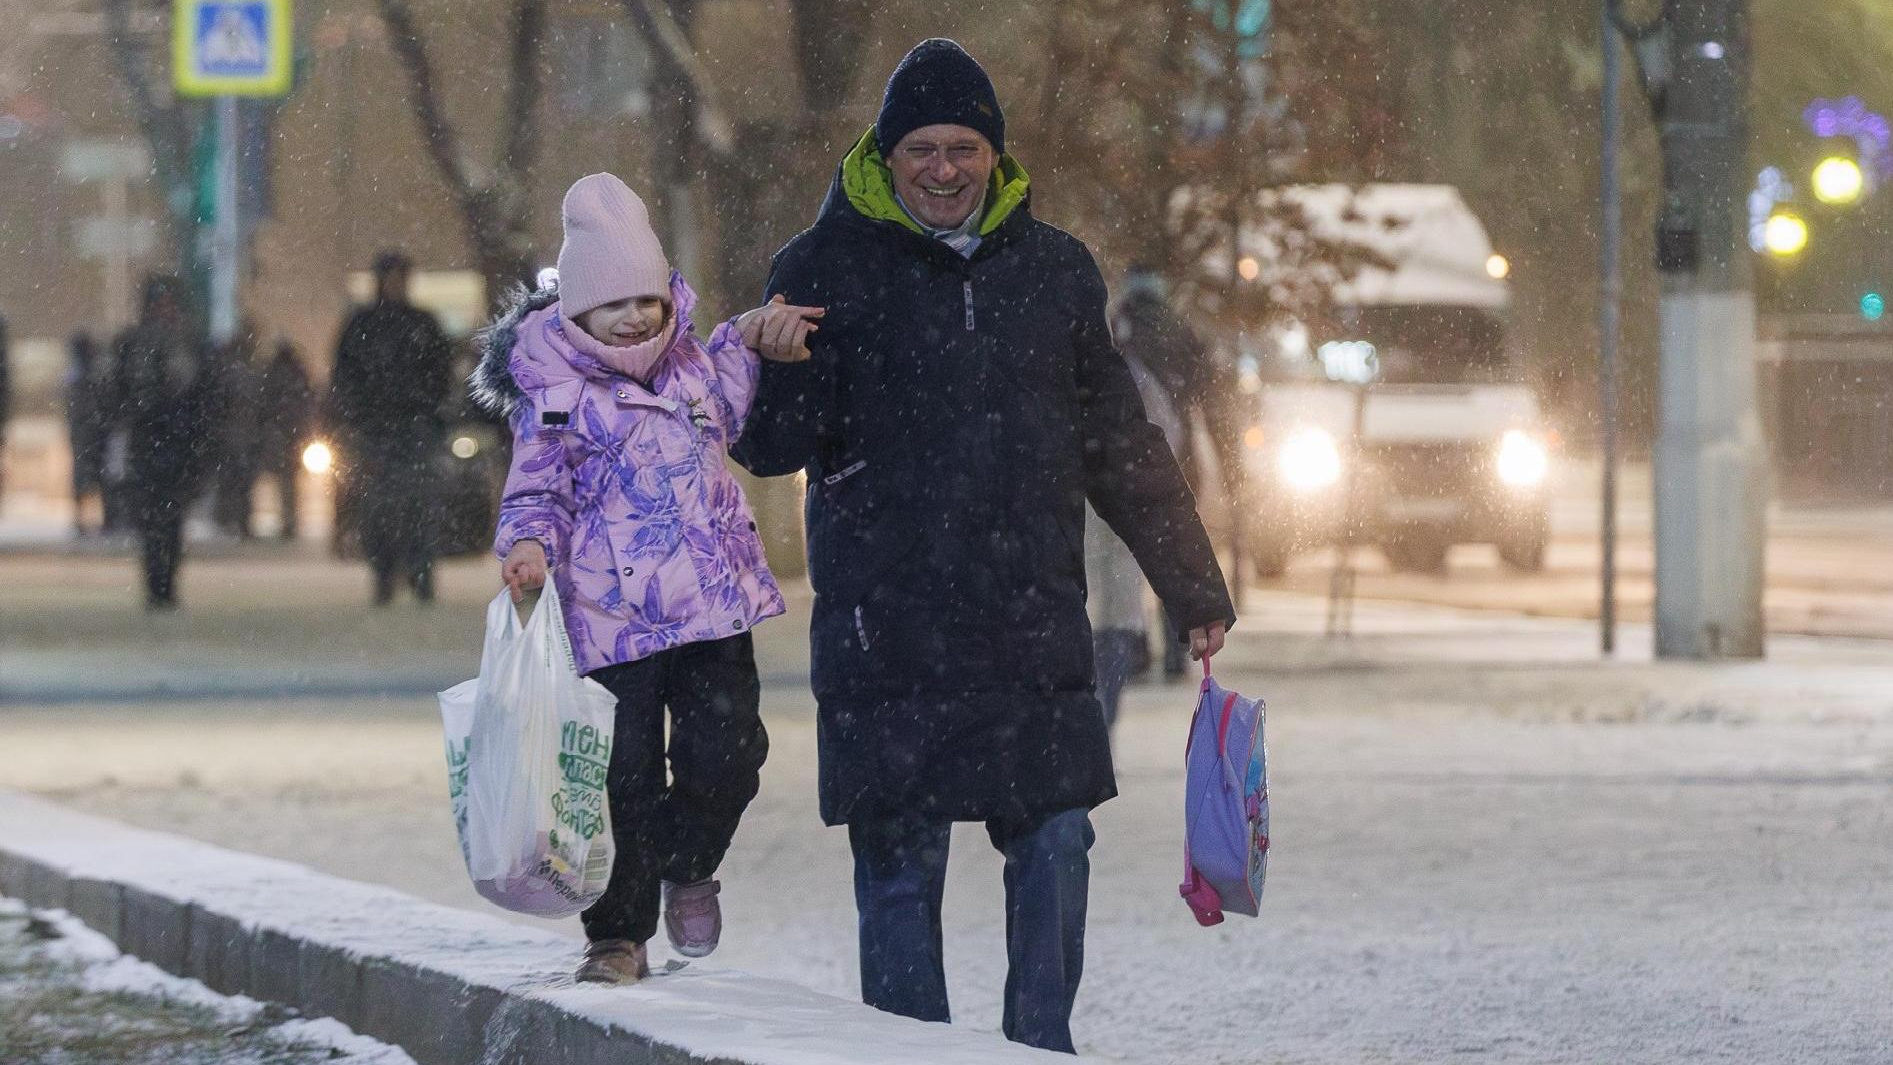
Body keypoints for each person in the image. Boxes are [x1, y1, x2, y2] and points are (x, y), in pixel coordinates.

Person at [732, 39, 1235, 1053]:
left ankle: (1039, 1048)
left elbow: (1121, 445)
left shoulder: (1052, 273)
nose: (945, 169)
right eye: (922, 149)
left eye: (965, 148)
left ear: (995, 159)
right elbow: (771, 443)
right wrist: (769, 362)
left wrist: (1193, 587)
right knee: (900, 870)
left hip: (1028, 627)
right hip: (890, 635)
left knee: (1057, 845)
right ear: (888, 155)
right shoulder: (820, 268)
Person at [470, 173, 822, 987]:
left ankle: (689, 863)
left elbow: (742, 354)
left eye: (649, 300)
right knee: (618, 780)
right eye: (614, 304)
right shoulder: (554, 395)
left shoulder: (699, 367)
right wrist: (526, 544)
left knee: (729, 756)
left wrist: (767, 332)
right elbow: (537, 490)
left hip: (711, 611)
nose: (635, 317)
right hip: (609, 620)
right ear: (576, 311)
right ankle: (617, 934)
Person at [1113, 264, 1246, 677]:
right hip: (1176, 460)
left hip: (1119, 461)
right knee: (1172, 545)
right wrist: (1231, 469)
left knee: (1125, 558)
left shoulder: (1114, 328)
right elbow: (1212, 405)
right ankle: (1176, 646)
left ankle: (1131, 646)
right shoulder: (1179, 331)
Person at [329, 251, 454, 604]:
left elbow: (440, 374)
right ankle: (384, 573)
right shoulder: (364, 326)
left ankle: (420, 574)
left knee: (418, 506)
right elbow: (345, 378)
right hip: (378, 429)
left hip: (414, 427)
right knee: (380, 508)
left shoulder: (422, 324)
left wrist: (429, 409)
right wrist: (357, 417)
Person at [1085, 350, 1187, 735]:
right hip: (1112, 518)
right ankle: (1101, 725)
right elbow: (1167, 434)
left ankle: (1100, 725)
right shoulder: (1128, 373)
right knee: (1112, 622)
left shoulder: (1122, 372)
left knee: (1107, 621)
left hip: (1094, 522)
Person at [114, 276, 210, 609]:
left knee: (172, 521)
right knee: (152, 520)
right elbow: (116, 394)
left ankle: (167, 582)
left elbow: (204, 396)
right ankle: (156, 583)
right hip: (148, 443)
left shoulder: (188, 344)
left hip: (178, 444)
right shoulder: (133, 344)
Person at [255, 339, 314, 540]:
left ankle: (288, 520)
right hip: (290, 434)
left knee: (284, 481)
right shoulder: (296, 374)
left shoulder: (273, 375)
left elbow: (265, 404)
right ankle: (290, 520)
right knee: (288, 482)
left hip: (281, 434)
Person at [209, 323, 263, 539]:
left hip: (237, 435)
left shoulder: (233, 373)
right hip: (239, 435)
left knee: (235, 481)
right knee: (238, 482)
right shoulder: (245, 374)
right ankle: (236, 519)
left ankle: (233, 519)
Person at [66, 333, 110, 536]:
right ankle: (86, 519)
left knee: (88, 475)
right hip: (88, 432)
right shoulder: (83, 375)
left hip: (88, 433)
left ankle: (87, 519)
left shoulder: (81, 375)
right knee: (89, 475)